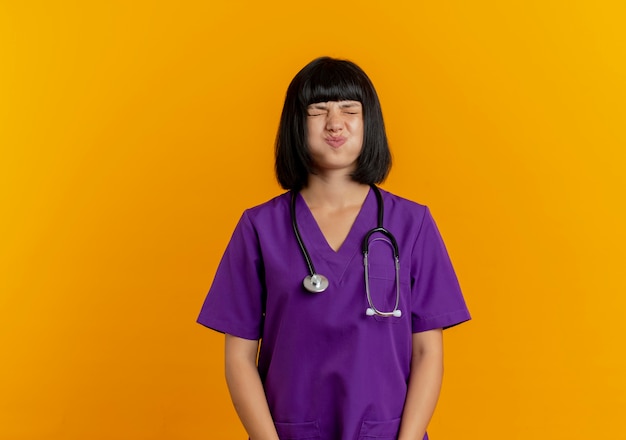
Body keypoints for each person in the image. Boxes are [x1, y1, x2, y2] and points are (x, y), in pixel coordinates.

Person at [197, 56, 470, 440]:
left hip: (388, 433)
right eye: (318, 110)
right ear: (296, 123)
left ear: (368, 122)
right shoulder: (259, 228)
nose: (335, 123)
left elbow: (428, 352)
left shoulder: (413, 225)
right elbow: (239, 357)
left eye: (349, 109)